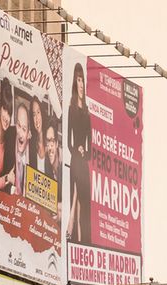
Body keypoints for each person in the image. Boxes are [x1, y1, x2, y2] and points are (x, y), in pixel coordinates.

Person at [67, 63, 92, 241]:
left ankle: (86, 240)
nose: (81, 83)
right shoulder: (71, 108)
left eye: (82, 79)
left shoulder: (87, 110)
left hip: (84, 162)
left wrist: (87, 153)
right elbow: (68, 140)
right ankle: (73, 237)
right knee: (75, 200)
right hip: (75, 160)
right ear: (75, 83)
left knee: (85, 203)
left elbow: (90, 139)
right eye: (78, 80)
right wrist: (77, 150)